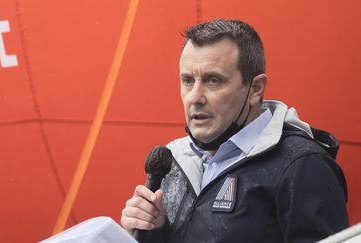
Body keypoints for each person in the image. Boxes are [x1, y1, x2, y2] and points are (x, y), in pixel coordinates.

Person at [121, 18, 349, 242]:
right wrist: (156, 233)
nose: (194, 97)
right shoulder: (174, 161)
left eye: (213, 81)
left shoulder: (303, 164)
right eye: (188, 80)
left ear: (256, 88)